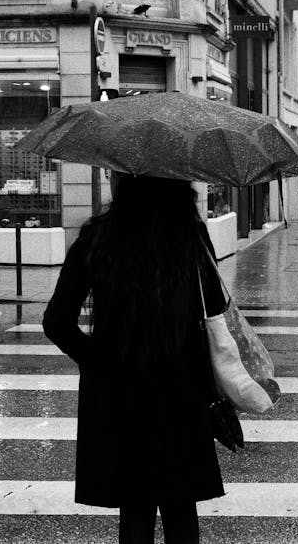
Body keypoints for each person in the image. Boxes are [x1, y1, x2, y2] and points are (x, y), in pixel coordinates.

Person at [43, 173, 227, 544]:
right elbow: (216, 305)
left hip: (120, 392)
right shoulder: (189, 234)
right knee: (180, 508)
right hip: (181, 390)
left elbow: (57, 321)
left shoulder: (98, 235)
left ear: (128, 182)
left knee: (135, 509)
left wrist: (98, 361)